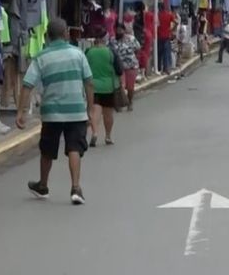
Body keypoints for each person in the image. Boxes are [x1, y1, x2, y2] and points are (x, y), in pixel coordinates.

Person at [16, 18, 94, 205]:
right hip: (76, 110)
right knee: (75, 147)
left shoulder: (41, 57)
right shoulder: (78, 54)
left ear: (47, 36)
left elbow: (27, 85)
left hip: (51, 112)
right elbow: (89, 81)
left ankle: (43, 185)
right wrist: (90, 108)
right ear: (66, 33)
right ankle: (75, 188)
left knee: (47, 149)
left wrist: (21, 111)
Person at [86, 27, 123, 146]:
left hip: (93, 86)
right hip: (109, 86)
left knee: (94, 111)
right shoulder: (110, 51)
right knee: (108, 113)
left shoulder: (88, 52)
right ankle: (108, 136)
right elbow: (119, 69)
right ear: (104, 38)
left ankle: (95, 132)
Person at [111, 24, 140, 112]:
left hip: (131, 66)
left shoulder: (131, 39)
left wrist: (134, 59)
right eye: (117, 30)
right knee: (120, 86)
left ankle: (130, 102)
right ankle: (119, 104)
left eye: (120, 30)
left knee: (130, 87)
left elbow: (138, 49)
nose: (119, 32)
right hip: (119, 67)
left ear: (124, 30)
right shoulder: (113, 40)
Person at [157, 4, 174, 74]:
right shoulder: (169, 15)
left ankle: (158, 68)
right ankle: (166, 69)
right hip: (167, 36)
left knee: (159, 53)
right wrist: (171, 29)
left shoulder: (158, 15)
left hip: (159, 36)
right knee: (166, 53)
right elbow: (175, 22)